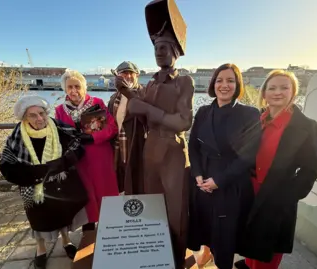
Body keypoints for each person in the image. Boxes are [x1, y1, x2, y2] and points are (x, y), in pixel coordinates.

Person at [114, 0, 193, 267]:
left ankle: (177, 259)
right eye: (156, 49)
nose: (158, 53)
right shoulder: (149, 82)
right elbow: (138, 105)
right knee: (152, 207)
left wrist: (147, 109)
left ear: (174, 51)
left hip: (172, 151)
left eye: (163, 48)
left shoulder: (184, 81)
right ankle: (153, 255)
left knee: (176, 210)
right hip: (150, 151)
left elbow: (183, 121)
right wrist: (127, 92)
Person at [235, 70, 317, 269]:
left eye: (284, 87)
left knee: (267, 251)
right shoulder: (256, 120)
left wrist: (287, 196)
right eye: (272, 88)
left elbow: (310, 169)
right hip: (250, 191)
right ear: (264, 93)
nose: (278, 92)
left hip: (276, 197)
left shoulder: (306, 126)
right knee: (249, 243)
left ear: (293, 92)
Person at [0, 95, 89, 269]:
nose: (39, 118)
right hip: (33, 184)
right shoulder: (16, 137)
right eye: (32, 115)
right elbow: (6, 165)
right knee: (38, 217)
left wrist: (60, 164)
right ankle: (40, 248)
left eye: (41, 113)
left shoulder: (60, 128)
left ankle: (66, 241)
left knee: (62, 212)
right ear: (24, 118)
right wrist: (33, 173)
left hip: (59, 182)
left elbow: (79, 146)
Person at [187, 63, 261, 269]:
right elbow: (193, 145)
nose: (224, 85)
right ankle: (206, 256)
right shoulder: (202, 111)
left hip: (230, 183)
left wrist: (219, 181)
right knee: (206, 227)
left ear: (238, 84)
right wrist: (197, 173)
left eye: (230, 80)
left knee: (225, 236)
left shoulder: (249, 113)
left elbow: (248, 155)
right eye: (219, 80)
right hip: (203, 180)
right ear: (213, 84)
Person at [55, 69, 119, 231]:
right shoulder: (60, 110)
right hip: (78, 159)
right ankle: (88, 230)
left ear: (84, 87)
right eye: (69, 87)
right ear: (65, 89)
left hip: (100, 155)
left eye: (77, 86)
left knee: (105, 192)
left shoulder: (97, 103)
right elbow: (58, 136)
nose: (73, 90)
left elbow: (112, 128)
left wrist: (92, 137)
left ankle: (111, 227)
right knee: (86, 194)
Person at [108, 61, 147, 194]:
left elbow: (146, 114)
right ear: (117, 76)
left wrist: (127, 91)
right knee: (121, 181)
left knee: (139, 182)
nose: (128, 76)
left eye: (131, 73)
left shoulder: (145, 94)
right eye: (124, 73)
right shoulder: (114, 98)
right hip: (119, 147)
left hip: (138, 146)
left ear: (137, 76)